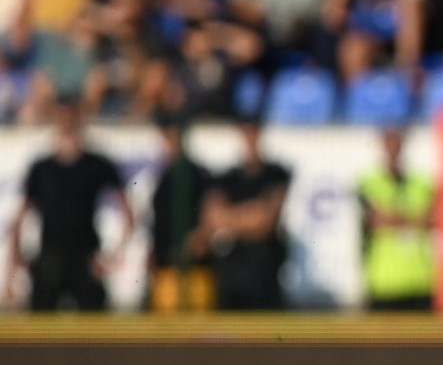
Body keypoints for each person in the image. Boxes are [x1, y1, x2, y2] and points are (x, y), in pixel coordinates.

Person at [6, 101, 133, 312]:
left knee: (93, 332)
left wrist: (113, 256)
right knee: (41, 331)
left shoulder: (96, 165)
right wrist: (11, 272)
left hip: (86, 258)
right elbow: (19, 218)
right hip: (50, 258)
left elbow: (128, 211)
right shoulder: (42, 168)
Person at [203, 120, 291, 311]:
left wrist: (230, 218)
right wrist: (251, 213)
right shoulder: (227, 177)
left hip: (264, 278)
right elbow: (213, 218)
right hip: (232, 281)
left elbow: (265, 221)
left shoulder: (275, 174)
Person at [357, 128, 437, 312]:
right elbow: (375, 220)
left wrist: (392, 216)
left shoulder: (422, 181)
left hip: (420, 279)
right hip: (384, 282)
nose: (393, 149)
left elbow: (434, 220)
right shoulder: (368, 182)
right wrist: (415, 218)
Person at [146, 111, 215, 313]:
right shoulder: (164, 176)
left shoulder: (197, 175)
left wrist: (200, 237)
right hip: (167, 271)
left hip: (194, 272)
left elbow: (211, 214)